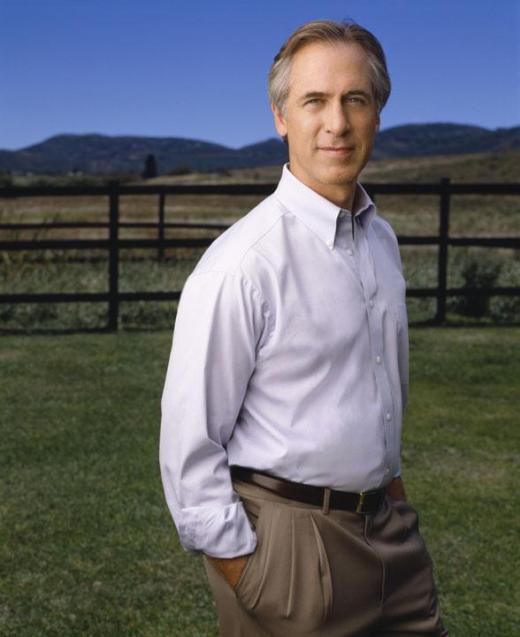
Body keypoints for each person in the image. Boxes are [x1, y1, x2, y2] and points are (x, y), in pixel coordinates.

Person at [160, 19, 448, 636]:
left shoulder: (381, 240)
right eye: (314, 100)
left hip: (389, 532)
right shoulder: (243, 264)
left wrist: (395, 500)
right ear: (280, 117)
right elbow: (189, 450)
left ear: (378, 113)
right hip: (290, 550)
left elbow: (378, 387)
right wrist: (250, 575)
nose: (337, 123)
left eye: (355, 99)